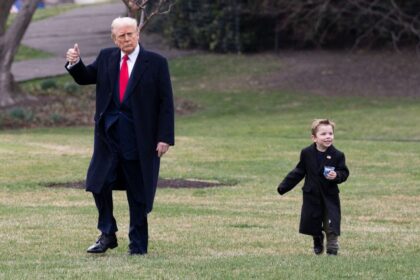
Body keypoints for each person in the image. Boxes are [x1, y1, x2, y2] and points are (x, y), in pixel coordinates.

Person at [65, 17, 174, 255]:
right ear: (114, 39)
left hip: (140, 139)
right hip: (108, 136)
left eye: (130, 34)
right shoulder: (107, 57)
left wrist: (164, 137)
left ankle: (138, 246)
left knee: (138, 194)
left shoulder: (155, 63)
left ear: (138, 34)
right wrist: (74, 63)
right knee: (97, 183)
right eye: (121, 36)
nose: (126, 39)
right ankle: (107, 233)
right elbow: (85, 77)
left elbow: (166, 102)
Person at [277, 119, 349, 255]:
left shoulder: (338, 155)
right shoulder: (307, 153)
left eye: (330, 133)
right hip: (312, 194)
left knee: (331, 222)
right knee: (312, 221)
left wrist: (337, 175)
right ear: (314, 138)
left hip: (329, 195)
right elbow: (299, 171)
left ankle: (332, 247)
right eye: (323, 134)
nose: (328, 136)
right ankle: (317, 238)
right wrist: (284, 187)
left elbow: (344, 172)